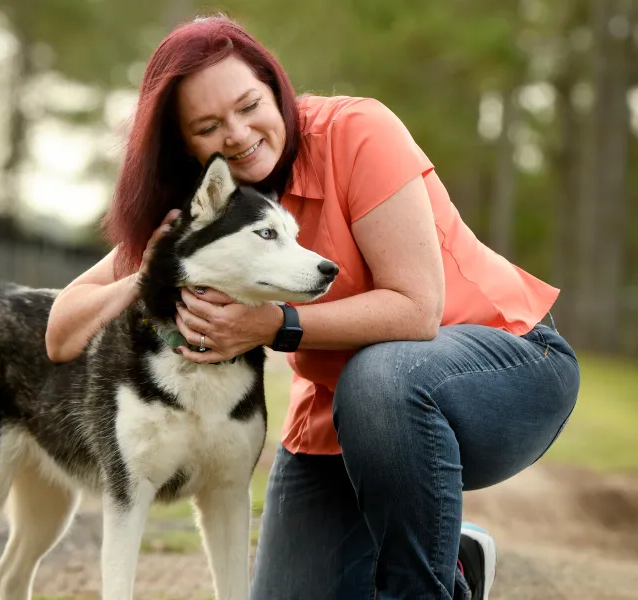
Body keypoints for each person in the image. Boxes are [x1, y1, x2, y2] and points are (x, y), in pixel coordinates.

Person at [45, 15, 581, 600]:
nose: (238, 133)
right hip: (344, 412)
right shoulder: (206, 206)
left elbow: (416, 312)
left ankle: (429, 586)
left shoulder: (357, 131)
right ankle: (455, 555)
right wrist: (147, 269)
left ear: (275, 88)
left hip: (505, 368)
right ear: (186, 144)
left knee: (382, 377)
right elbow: (62, 333)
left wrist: (272, 325)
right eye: (208, 125)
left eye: (249, 104)